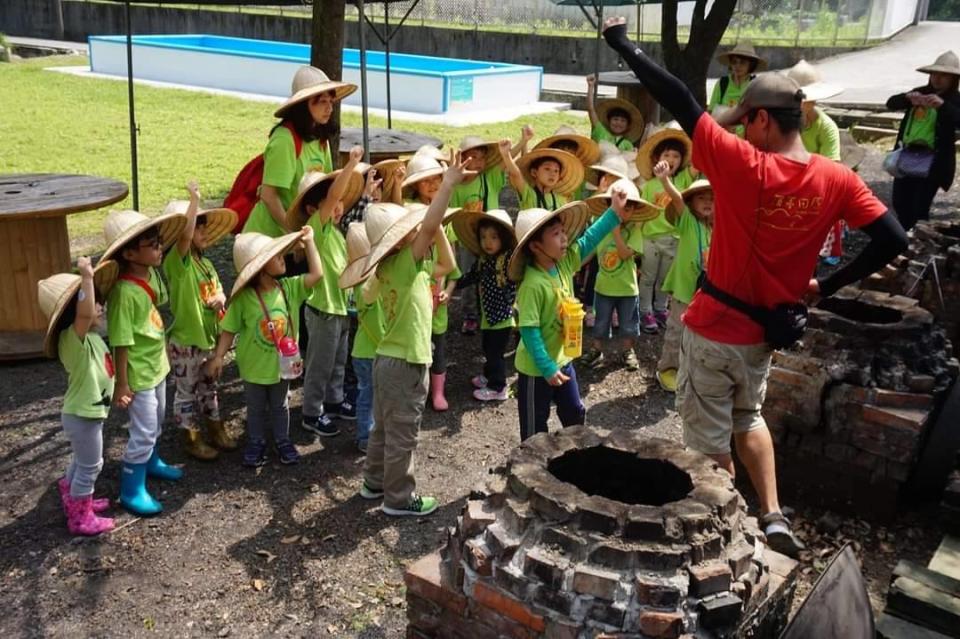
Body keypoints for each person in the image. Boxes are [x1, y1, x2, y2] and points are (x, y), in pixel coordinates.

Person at [602, 15, 907, 557]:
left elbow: (676, 96)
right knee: (750, 417)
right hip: (769, 333)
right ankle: (771, 514)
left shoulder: (743, 164)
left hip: (717, 327)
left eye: (745, 120)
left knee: (709, 440)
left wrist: (622, 43)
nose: (739, 130)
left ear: (764, 119)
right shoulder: (836, 178)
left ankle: (730, 528)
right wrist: (827, 287)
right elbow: (891, 237)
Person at [358, 157, 470, 517]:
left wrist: (428, 226)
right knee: (403, 434)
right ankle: (399, 498)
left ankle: (374, 482)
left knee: (383, 430)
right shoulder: (406, 263)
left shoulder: (400, 270)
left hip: (386, 360)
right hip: (406, 362)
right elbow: (433, 227)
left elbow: (449, 265)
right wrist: (448, 185)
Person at [509, 188, 633, 442]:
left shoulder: (564, 263)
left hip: (563, 358)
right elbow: (529, 330)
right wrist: (546, 367)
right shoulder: (533, 284)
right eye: (556, 234)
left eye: (563, 232)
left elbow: (589, 238)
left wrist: (613, 213)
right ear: (535, 246)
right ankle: (529, 471)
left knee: (574, 412)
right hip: (536, 369)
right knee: (534, 428)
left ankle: (577, 458)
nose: (565, 238)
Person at [207, 229, 323, 468]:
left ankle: (283, 441)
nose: (282, 257)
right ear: (259, 268)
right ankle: (256, 442)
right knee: (256, 408)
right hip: (253, 367)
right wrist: (218, 356)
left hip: (282, 366)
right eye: (275, 255)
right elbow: (229, 330)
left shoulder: (289, 288)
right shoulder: (242, 300)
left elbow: (317, 274)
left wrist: (310, 242)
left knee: (281, 406)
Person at [102, 208, 188, 516]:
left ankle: (151, 460)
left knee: (158, 419)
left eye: (158, 242)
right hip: (138, 374)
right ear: (128, 253)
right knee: (144, 428)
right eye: (151, 244)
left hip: (156, 366)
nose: (159, 248)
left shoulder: (148, 274)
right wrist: (122, 383)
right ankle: (131, 488)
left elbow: (160, 302)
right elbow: (121, 341)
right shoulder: (123, 293)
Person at [285, 147, 366, 438]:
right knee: (319, 364)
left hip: (341, 308)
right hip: (322, 309)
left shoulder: (338, 233)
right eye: (333, 202)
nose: (338, 205)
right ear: (313, 209)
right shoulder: (315, 228)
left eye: (341, 201)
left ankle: (333, 401)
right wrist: (351, 165)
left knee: (338, 360)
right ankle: (311, 411)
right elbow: (332, 196)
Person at [38, 258, 119, 535]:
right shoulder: (73, 337)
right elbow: (84, 314)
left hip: (86, 414)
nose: (100, 306)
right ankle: (80, 518)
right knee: (92, 465)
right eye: (94, 301)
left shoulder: (92, 336)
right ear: (75, 312)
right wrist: (86, 277)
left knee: (81, 460)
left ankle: (74, 495)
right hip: (82, 415)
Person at [162, 184, 238, 461]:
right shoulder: (177, 262)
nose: (203, 232)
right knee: (186, 391)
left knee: (209, 386)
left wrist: (220, 297)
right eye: (198, 228)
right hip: (186, 341)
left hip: (208, 338)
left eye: (205, 228)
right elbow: (183, 235)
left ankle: (215, 428)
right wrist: (194, 200)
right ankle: (190, 438)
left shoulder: (206, 264)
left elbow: (219, 289)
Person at [243, 66, 357, 238]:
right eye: (321, 101)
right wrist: (293, 233)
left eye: (330, 101)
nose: (329, 108)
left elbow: (326, 187)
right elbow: (269, 196)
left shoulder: (321, 139)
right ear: (304, 105)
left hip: (301, 235)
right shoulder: (284, 140)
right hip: (269, 238)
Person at [581, 179, 658, 371]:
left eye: (628, 209)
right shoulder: (601, 228)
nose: (624, 213)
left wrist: (615, 231)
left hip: (627, 289)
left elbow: (624, 254)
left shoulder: (634, 232)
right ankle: (596, 350)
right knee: (600, 322)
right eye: (620, 208)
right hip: (603, 287)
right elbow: (589, 250)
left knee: (628, 324)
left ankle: (627, 351)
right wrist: (575, 265)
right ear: (610, 208)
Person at [886, 50, 960, 231]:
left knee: (919, 207)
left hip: (933, 162)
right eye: (935, 74)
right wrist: (907, 98)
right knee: (900, 202)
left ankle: (918, 241)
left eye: (944, 75)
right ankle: (904, 239)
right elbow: (891, 103)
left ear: (953, 79)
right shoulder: (920, 92)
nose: (937, 79)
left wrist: (942, 106)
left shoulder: (955, 99)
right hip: (907, 155)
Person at [653, 175, 714, 393]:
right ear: (691, 204)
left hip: (703, 291)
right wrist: (665, 180)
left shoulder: (713, 230)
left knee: (697, 333)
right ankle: (667, 369)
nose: (707, 203)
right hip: (683, 289)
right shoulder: (688, 222)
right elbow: (677, 200)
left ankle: (687, 369)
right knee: (676, 331)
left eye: (711, 199)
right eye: (701, 198)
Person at [452, 209, 518, 401]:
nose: (488, 242)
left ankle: (498, 387)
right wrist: (453, 285)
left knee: (495, 352)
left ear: (503, 239)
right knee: (487, 347)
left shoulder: (507, 260)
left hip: (503, 316)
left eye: (494, 237)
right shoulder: (483, 260)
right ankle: (489, 375)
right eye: (483, 237)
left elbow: (519, 271)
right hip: (488, 315)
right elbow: (471, 277)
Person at [636, 123, 697, 333]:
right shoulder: (649, 185)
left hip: (674, 238)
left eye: (676, 156)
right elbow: (641, 215)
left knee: (664, 279)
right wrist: (635, 241)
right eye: (667, 155)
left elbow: (698, 162)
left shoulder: (684, 179)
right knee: (648, 278)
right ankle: (645, 311)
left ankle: (661, 308)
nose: (671, 160)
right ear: (656, 158)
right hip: (650, 238)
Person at [784, 60, 846, 265]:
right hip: (782, 188)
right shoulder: (781, 121)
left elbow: (832, 168)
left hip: (812, 193)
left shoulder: (826, 127)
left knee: (807, 253)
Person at [338, 223, 384, 453]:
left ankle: (368, 434)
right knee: (370, 397)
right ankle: (366, 437)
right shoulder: (369, 285)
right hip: (371, 351)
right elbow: (377, 324)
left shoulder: (358, 283)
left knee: (368, 395)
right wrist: (386, 343)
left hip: (362, 350)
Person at [500, 139, 584, 212]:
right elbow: (516, 174)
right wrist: (506, 155)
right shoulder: (528, 193)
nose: (552, 174)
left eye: (556, 171)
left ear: (559, 177)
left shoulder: (561, 200)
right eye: (547, 169)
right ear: (534, 173)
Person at [709, 41, 766, 134]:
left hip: (747, 140)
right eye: (734, 62)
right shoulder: (722, 83)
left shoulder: (755, 85)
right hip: (722, 137)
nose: (737, 66)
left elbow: (759, 117)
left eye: (742, 62)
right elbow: (711, 112)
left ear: (751, 65)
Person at [586, 75, 645, 151]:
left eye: (623, 121)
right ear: (609, 121)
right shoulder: (600, 131)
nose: (618, 123)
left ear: (628, 125)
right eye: (615, 119)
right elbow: (591, 110)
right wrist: (590, 87)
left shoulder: (628, 145)